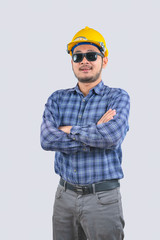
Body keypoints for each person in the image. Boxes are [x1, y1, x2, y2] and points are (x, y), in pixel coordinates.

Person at [40, 26, 130, 240]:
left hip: (102, 199)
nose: (84, 61)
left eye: (91, 55)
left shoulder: (117, 98)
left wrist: (68, 129)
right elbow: (46, 139)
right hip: (64, 197)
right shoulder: (57, 99)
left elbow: (112, 136)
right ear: (72, 61)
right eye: (77, 56)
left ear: (104, 60)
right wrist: (95, 132)